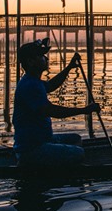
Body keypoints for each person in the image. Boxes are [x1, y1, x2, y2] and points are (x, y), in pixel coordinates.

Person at [13, 38, 99, 168]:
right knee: (79, 153)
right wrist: (83, 110)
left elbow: (51, 85)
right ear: (31, 62)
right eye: (41, 56)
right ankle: (36, 165)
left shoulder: (33, 81)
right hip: (32, 148)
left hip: (42, 140)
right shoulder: (30, 85)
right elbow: (52, 111)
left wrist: (69, 68)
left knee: (76, 139)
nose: (46, 59)